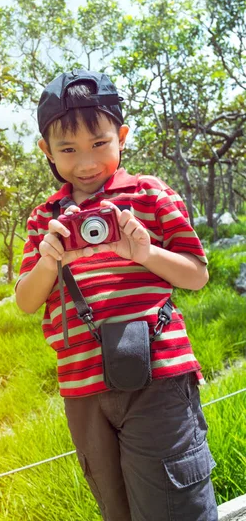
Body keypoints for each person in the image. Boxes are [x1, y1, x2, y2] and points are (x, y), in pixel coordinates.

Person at [15, 69, 218, 520]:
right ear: (46, 150)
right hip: (82, 386)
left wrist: (144, 252)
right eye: (67, 149)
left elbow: (196, 275)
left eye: (99, 144)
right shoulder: (44, 218)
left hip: (158, 376)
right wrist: (49, 260)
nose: (85, 162)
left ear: (121, 136)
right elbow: (27, 302)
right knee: (116, 506)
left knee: (174, 502)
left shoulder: (150, 193)